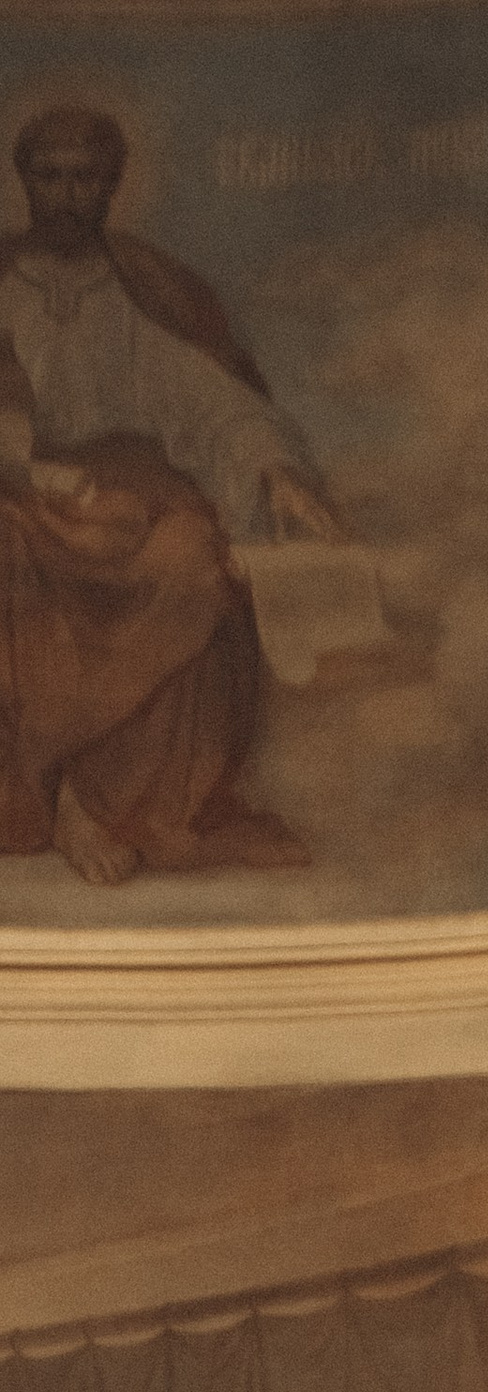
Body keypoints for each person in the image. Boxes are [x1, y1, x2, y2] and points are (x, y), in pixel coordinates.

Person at [0, 107, 334, 882]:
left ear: (113, 185)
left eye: (85, 177)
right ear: (25, 181)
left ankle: (99, 798)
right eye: (51, 176)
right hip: (19, 488)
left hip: (129, 488)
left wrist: (273, 470)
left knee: (194, 563)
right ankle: (42, 790)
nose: (67, 194)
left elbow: (209, 401)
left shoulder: (147, 292)